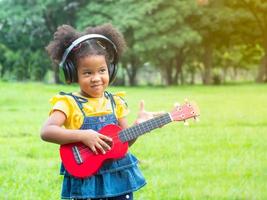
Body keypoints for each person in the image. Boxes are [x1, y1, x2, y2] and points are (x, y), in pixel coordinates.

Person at [41, 24, 160, 200]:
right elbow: (47, 132)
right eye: (87, 73)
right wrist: (83, 135)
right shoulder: (68, 103)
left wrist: (138, 126)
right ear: (73, 73)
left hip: (118, 179)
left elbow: (122, 144)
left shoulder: (115, 102)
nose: (96, 78)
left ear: (110, 70)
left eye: (102, 71)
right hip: (86, 181)